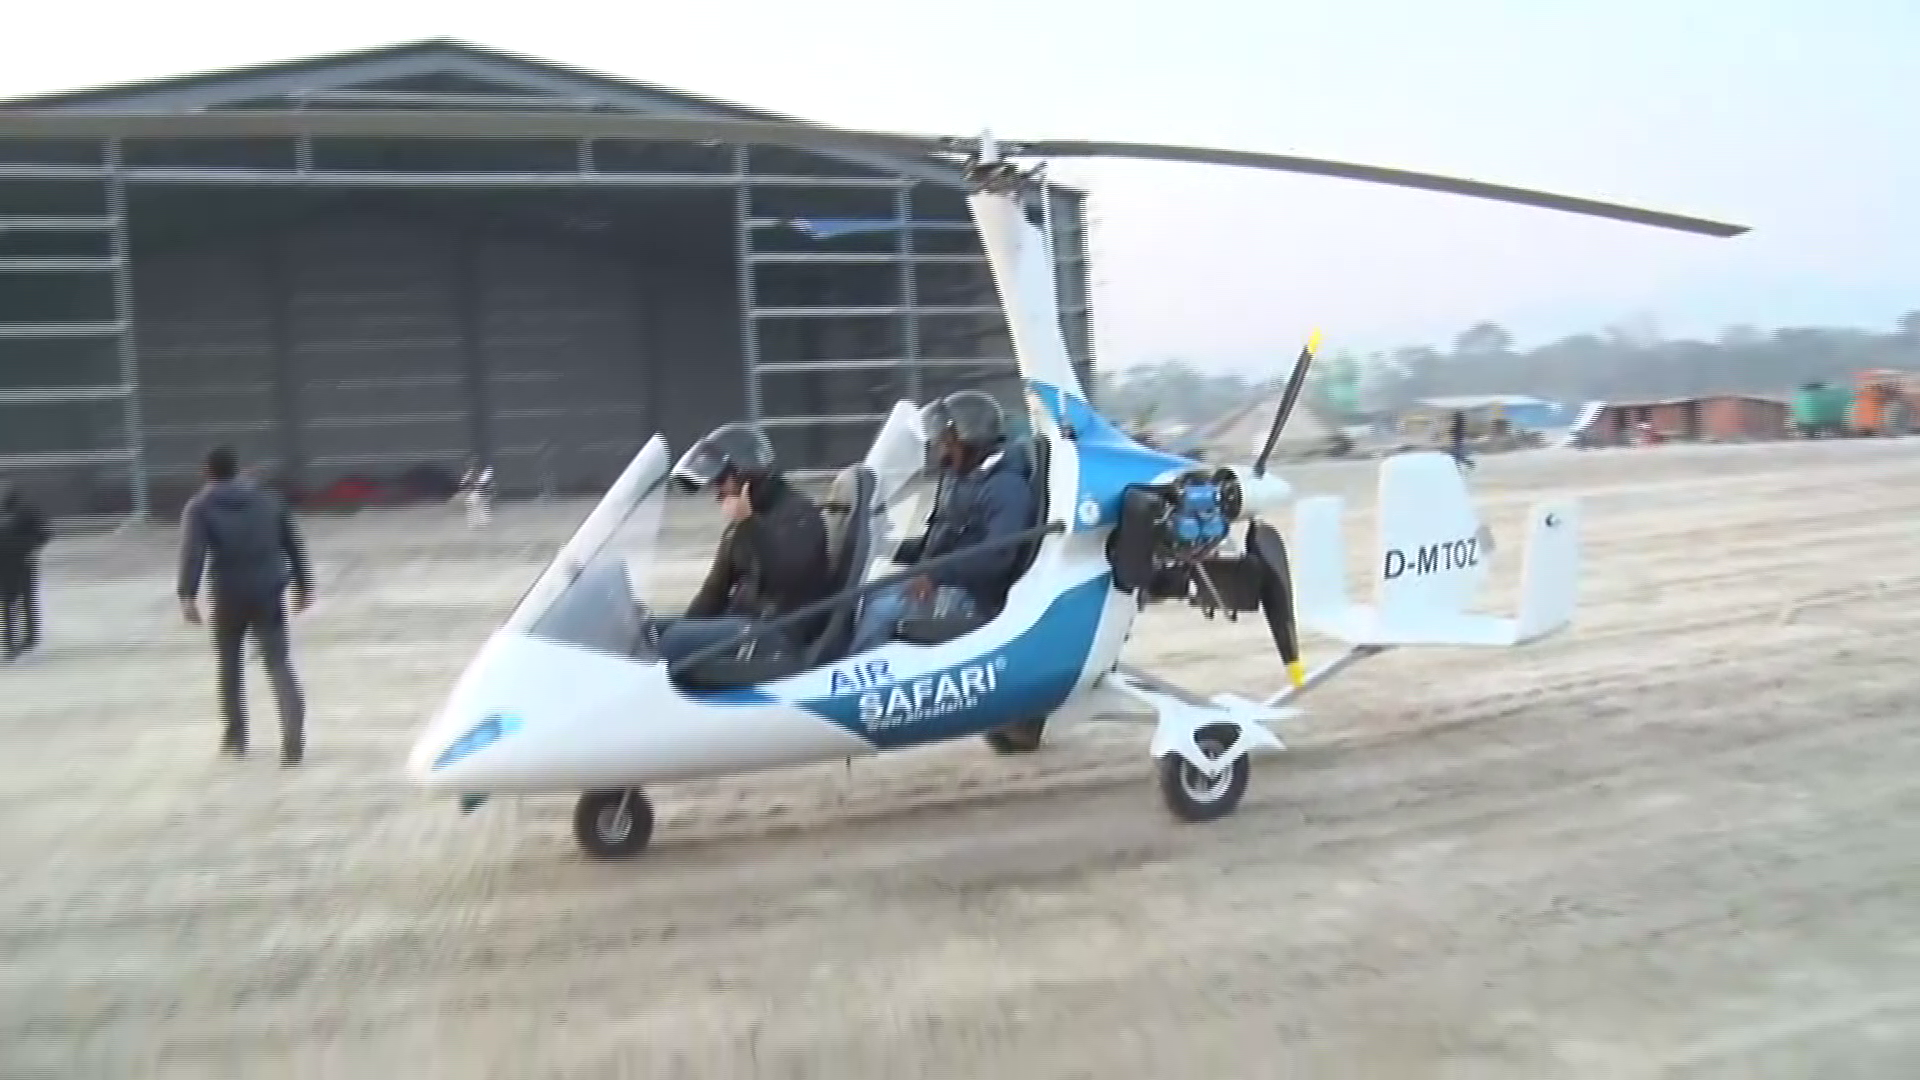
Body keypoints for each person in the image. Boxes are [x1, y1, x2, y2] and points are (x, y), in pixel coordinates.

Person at [850, 390, 1038, 654]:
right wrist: (887, 546)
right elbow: (942, 539)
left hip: (974, 596)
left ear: (969, 438)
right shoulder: (965, 479)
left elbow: (999, 555)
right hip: (950, 581)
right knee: (863, 596)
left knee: (882, 609)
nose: (941, 452)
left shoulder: (1005, 487)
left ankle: (857, 681)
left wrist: (937, 575)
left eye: (946, 443)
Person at [177, 446, 313, 764]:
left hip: (228, 592)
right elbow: (292, 541)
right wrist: (304, 585)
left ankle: (236, 737)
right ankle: (293, 739)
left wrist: (187, 595)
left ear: (207, 472)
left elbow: (193, 552)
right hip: (269, 589)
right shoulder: (268, 499)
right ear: (237, 470)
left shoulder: (199, 507)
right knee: (278, 663)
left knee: (229, 665)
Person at [660, 422, 832, 665]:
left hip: (780, 633)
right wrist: (685, 625)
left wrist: (747, 523)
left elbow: (785, 575)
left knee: (674, 642)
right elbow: (713, 593)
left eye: (720, 481)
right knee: (653, 631)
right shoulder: (741, 526)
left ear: (745, 475)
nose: (716, 492)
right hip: (747, 624)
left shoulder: (800, 514)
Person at [0, 483, 51, 660]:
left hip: (22, 561)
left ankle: (29, 637)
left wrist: (30, 548)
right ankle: (10, 642)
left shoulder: (26, 512)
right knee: (9, 604)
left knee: (24, 601)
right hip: (6, 564)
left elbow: (45, 533)